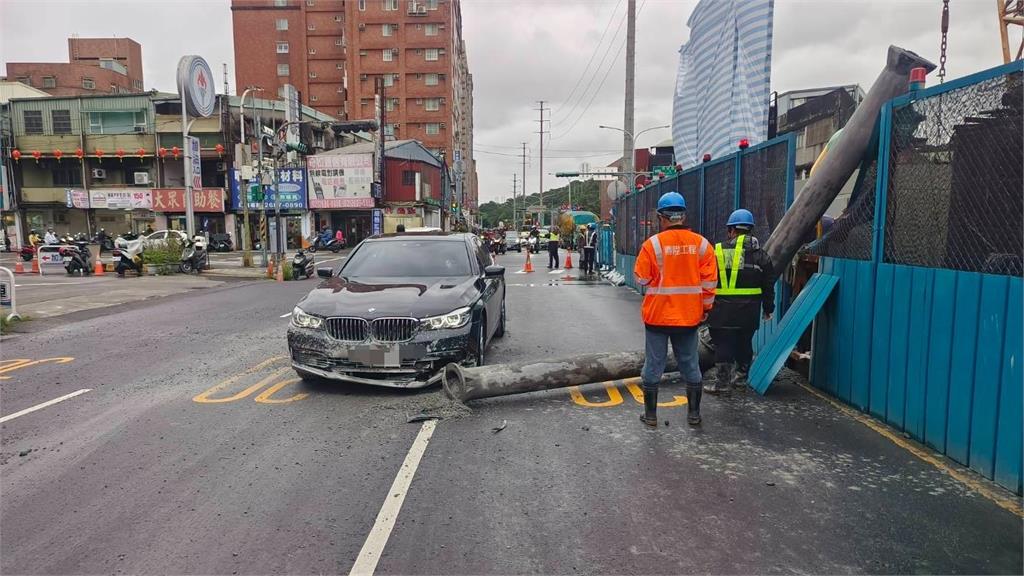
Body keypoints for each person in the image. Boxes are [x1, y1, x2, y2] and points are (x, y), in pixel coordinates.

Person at [634, 191, 717, 427]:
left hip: (658, 317)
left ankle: (650, 416)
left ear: (662, 217)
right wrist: (706, 308)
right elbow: (710, 283)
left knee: (653, 365)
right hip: (689, 318)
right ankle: (694, 415)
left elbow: (641, 277)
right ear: (683, 215)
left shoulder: (652, 245)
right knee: (690, 364)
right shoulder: (702, 245)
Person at [704, 209, 775, 395]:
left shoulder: (717, 251)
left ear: (731, 230)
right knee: (745, 344)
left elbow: (705, 280)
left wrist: (703, 306)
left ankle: (722, 384)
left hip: (721, 312)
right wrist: (768, 308)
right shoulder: (761, 256)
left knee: (723, 345)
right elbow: (768, 285)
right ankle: (741, 381)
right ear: (751, 230)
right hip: (748, 313)